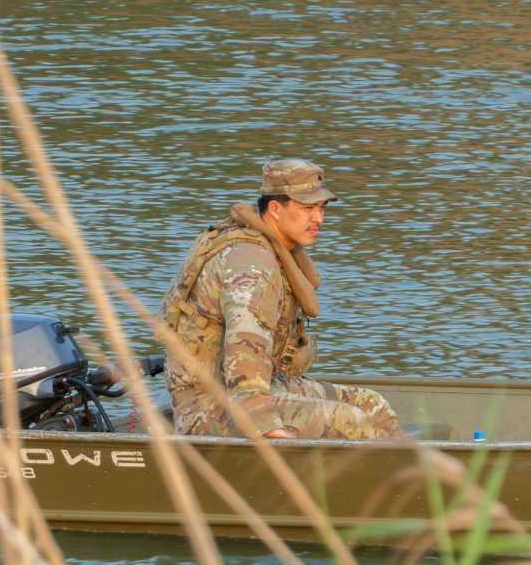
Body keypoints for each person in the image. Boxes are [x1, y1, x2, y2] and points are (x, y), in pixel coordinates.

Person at [160, 158, 403, 440]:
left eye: (321, 208)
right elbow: (245, 354)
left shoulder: (271, 250)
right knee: (349, 421)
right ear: (275, 209)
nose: (319, 219)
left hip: (264, 388)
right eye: (307, 208)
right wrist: (267, 426)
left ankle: (411, 477)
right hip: (213, 409)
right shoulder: (251, 264)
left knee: (372, 406)